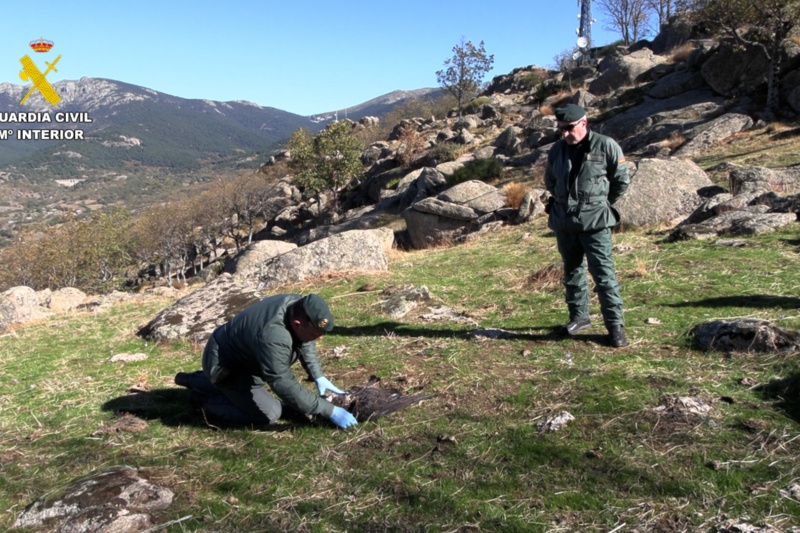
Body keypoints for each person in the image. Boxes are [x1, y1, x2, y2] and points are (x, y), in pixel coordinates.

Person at [174, 293, 358, 428]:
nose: (319, 339)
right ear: (298, 324)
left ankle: (189, 379)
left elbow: (305, 339)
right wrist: (330, 411)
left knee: (250, 389)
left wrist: (318, 376)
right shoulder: (274, 336)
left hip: (236, 356)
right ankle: (201, 400)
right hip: (226, 367)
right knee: (270, 413)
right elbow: (283, 383)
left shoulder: (298, 306)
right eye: (316, 334)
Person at [544, 104, 630, 348]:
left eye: (569, 128)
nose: (565, 134)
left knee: (604, 275)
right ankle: (579, 317)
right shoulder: (557, 150)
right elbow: (550, 181)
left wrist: (600, 204)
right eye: (561, 129)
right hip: (565, 222)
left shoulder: (606, 145)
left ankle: (615, 327)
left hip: (596, 223)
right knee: (571, 272)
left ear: (584, 123)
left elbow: (621, 181)